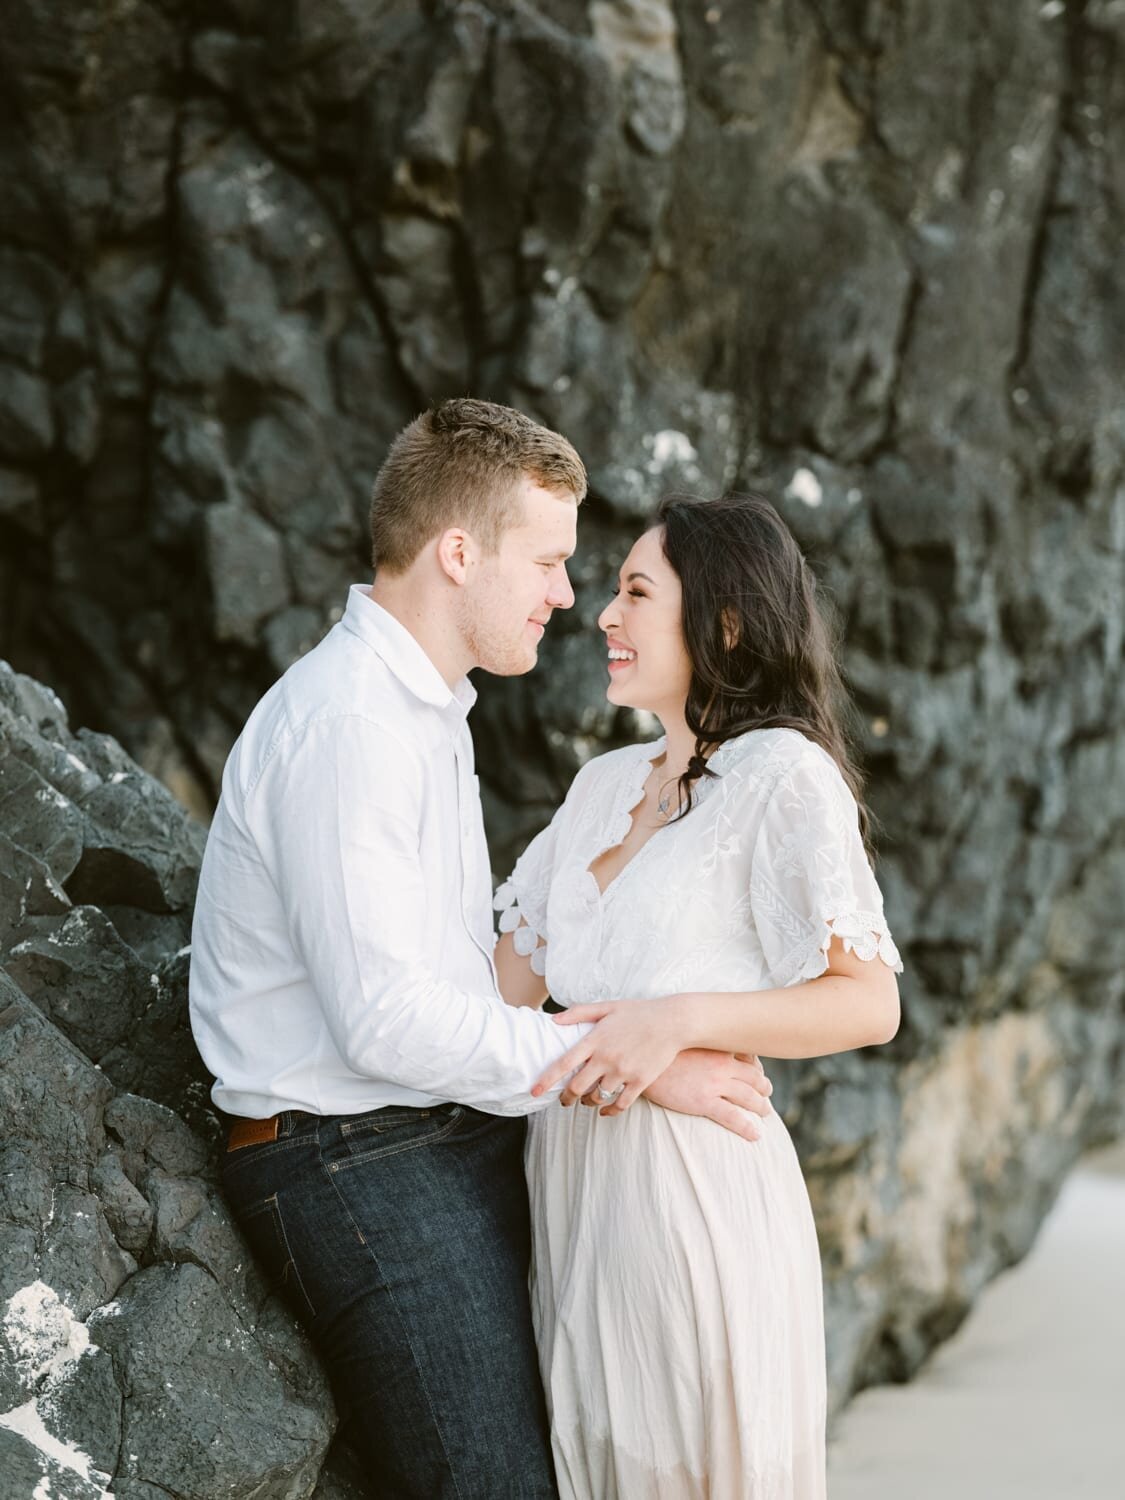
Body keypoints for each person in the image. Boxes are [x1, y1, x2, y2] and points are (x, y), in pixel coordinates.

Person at [188, 401, 775, 1500]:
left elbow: (462, 982)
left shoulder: (423, 714)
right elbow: (387, 1021)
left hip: (429, 1130)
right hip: (345, 1158)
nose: (567, 592)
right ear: (459, 554)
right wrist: (638, 1060)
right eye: (548, 560)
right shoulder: (350, 726)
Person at [492, 492, 904, 1500]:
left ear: (722, 622)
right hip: (576, 1191)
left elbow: (868, 1001)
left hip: (699, 1198)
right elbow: (496, 996)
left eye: (637, 591)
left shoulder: (782, 777)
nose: (604, 615)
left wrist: (678, 1023)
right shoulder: (598, 787)